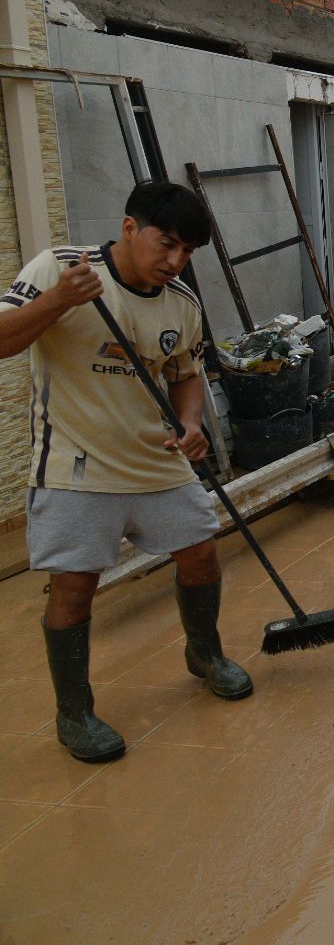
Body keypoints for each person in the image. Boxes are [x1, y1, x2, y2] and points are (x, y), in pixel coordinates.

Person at [0, 182, 253, 763]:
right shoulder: (60, 270)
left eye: (187, 252)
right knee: (74, 586)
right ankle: (74, 712)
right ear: (130, 228)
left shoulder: (182, 302)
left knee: (201, 555)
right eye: (167, 244)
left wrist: (192, 424)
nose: (174, 262)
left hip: (157, 460)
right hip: (75, 465)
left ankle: (204, 653)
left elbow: (184, 374)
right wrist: (59, 300)